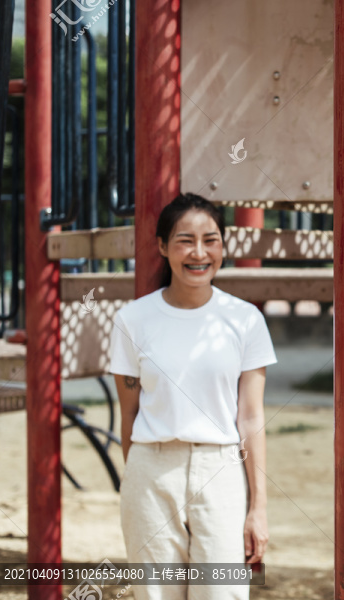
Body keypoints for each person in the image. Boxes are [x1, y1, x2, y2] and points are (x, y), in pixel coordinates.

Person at [109, 193, 276, 600]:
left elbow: (252, 419)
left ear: (223, 245)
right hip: (150, 469)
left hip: (220, 467)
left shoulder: (245, 320)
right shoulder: (132, 320)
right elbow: (127, 416)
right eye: (185, 240)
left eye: (210, 239)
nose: (199, 253)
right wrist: (139, 475)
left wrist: (259, 507)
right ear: (163, 247)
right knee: (154, 594)